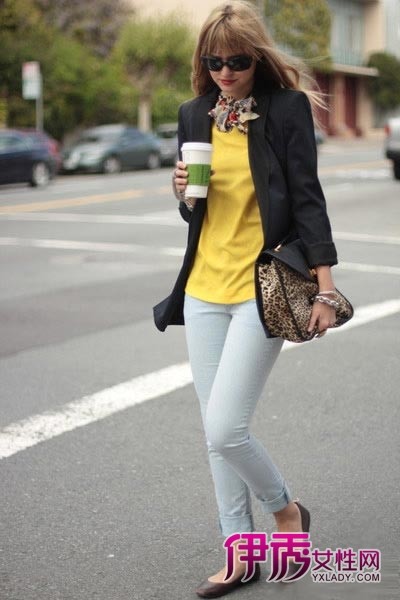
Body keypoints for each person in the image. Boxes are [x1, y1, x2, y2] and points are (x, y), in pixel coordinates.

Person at [153, 1, 338, 596]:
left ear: (257, 59)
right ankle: (240, 553)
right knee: (216, 435)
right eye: (214, 62)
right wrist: (183, 194)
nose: (225, 73)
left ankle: (286, 511)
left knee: (226, 428)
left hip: (261, 289)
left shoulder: (285, 110)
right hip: (203, 289)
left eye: (236, 62)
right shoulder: (193, 114)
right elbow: (196, 211)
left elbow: (308, 200)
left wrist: (326, 289)